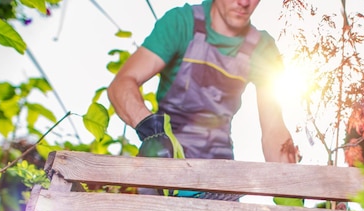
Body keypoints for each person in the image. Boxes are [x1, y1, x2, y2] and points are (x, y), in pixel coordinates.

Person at [108, 0, 300, 164]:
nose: (244, 2)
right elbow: (122, 84)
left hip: (219, 171)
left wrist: (288, 175)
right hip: (165, 162)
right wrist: (153, 133)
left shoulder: (262, 48)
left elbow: (273, 129)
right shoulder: (181, 24)